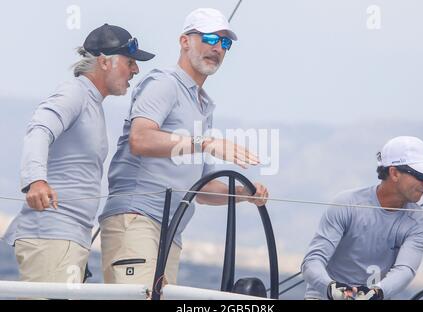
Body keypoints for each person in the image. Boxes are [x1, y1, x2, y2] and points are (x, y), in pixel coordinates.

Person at [98, 8, 269, 288]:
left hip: (171, 230)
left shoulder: (203, 105)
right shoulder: (163, 83)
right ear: (184, 41)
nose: (217, 48)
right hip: (137, 220)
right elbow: (140, 140)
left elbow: (200, 190)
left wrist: (244, 194)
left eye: (224, 43)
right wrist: (206, 143)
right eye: (209, 37)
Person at [2, 24, 154, 284]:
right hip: (52, 234)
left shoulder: (93, 103)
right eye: (130, 62)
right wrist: (36, 181)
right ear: (105, 62)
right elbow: (39, 128)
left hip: (69, 238)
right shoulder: (75, 93)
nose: (136, 70)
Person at [301, 136, 423, 300]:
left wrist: (376, 293)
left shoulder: (421, 223)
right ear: (394, 173)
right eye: (421, 175)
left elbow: (405, 269)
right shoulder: (346, 203)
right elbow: (312, 261)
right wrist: (331, 289)